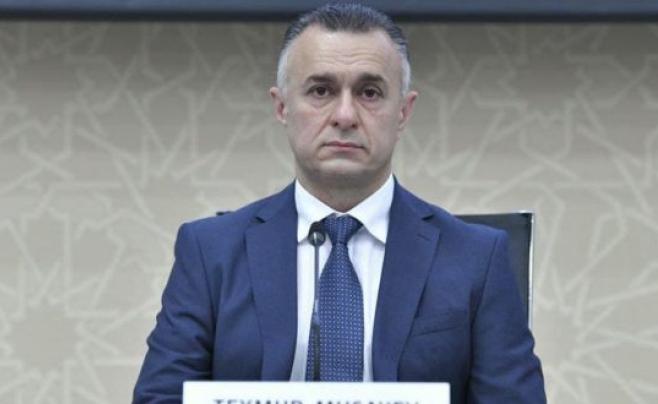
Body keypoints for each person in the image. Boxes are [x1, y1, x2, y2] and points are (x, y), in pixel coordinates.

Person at [133, 3, 546, 403]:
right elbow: (161, 398)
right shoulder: (210, 252)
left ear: (403, 112)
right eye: (321, 90)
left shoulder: (477, 258)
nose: (345, 115)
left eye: (369, 92)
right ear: (282, 106)